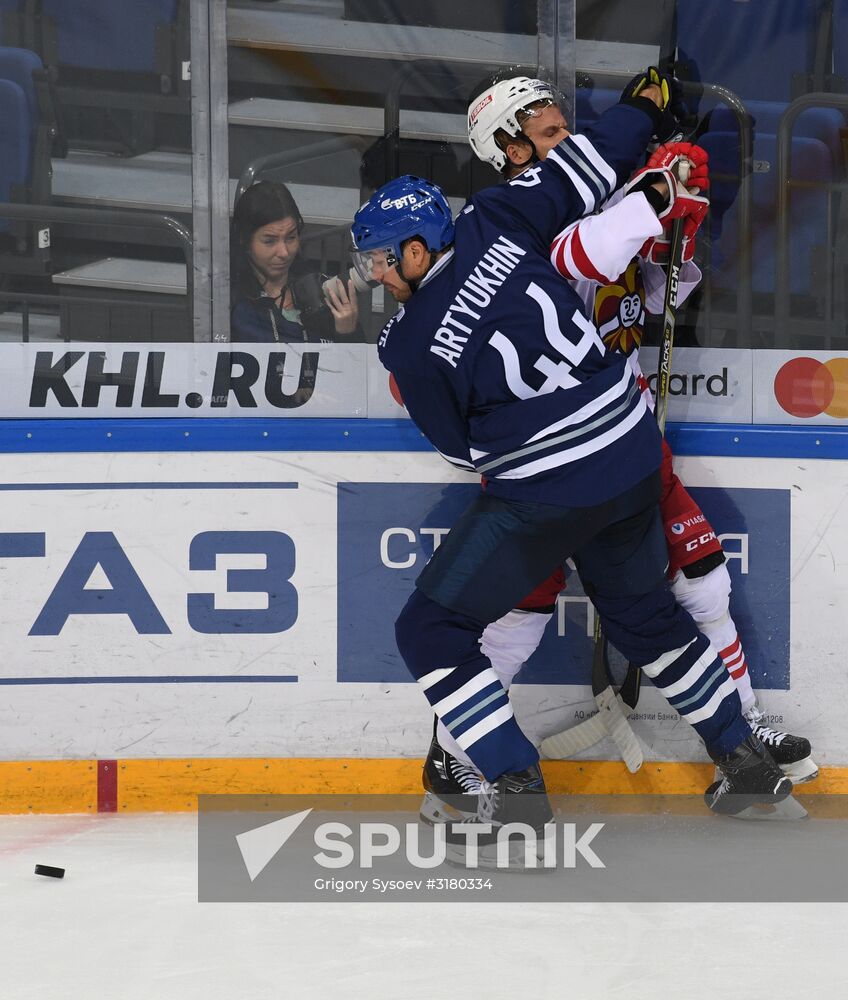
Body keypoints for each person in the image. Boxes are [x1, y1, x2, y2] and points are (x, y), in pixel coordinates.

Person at [350, 73, 793, 840]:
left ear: (416, 251)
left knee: (428, 629)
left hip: (546, 491)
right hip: (629, 454)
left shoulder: (410, 346)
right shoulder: (497, 217)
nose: (374, 276)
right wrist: (648, 113)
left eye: (379, 262)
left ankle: (511, 776)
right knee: (647, 616)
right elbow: (596, 155)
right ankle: (744, 761)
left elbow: (460, 449)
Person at [230, 180, 363, 343]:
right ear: (245, 240)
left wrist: (347, 333)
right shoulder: (230, 300)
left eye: (291, 237)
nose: (284, 252)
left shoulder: (321, 289)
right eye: (270, 241)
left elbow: (355, 365)